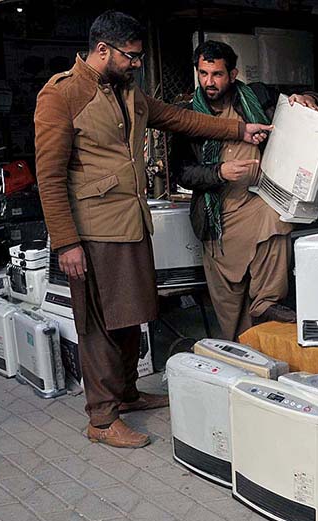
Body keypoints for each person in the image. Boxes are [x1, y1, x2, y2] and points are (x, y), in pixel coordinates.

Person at [34, 12, 272, 449]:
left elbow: (180, 120)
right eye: (132, 56)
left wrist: (240, 128)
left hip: (131, 223)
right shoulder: (62, 94)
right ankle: (101, 420)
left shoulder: (128, 92)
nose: (138, 64)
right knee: (100, 324)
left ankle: (124, 394)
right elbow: (48, 176)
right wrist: (66, 241)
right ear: (102, 49)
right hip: (92, 230)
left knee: (130, 315)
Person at [171, 40, 318, 340]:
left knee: (276, 218)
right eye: (203, 74)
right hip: (218, 216)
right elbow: (183, 172)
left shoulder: (254, 96)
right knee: (231, 312)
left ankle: (267, 301)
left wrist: (306, 98)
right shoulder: (189, 115)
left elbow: (305, 95)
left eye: (216, 74)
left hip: (257, 199)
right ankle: (244, 362)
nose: (209, 82)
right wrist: (219, 171)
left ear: (232, 73)